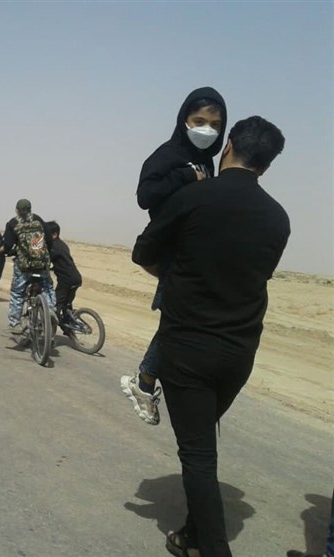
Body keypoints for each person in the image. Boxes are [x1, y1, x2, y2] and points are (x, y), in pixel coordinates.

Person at [132, 116, 288, 557]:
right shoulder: (278, 218)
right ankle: (191, 536)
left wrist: (178, 277)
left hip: (188, 351)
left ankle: (212, 549)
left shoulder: (195, 198)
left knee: (198, 457)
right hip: (239, 353)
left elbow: (143, 252)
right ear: (268, 164)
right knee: (202, 441)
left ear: (229, 145)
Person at [122, 86, 228, 426]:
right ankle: (145, 380)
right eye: (199, 121)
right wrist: (185, 176)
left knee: (180, 320)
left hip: (193, 252)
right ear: (184, 120)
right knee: (177, 321)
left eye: (214, 124)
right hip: (173, 252)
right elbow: (145, 195)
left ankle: (150, 380)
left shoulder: (207, 160)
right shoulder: (167, 155)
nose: (206, 130)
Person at [0, 199, 55, 334]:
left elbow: (7, 245)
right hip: (41, 265)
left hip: (23, 267)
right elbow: (49, 239)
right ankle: (51, 311)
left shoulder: (13, 223)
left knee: (17, 292)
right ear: (30, 209)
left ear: (17, 210)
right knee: (47, 287)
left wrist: (4, 251)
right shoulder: (39, 220)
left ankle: (14, 323)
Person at [44, 221, 82, 331]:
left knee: (56, 305)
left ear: (54, 234)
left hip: (66, 280)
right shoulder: (62, 244)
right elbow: (61, 261)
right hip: (75, 278)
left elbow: (46, 259)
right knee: (67, 304)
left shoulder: (54, 246)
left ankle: (50, 334)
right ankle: (68, 327)